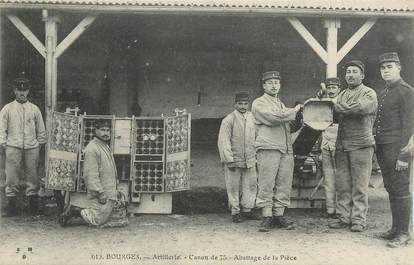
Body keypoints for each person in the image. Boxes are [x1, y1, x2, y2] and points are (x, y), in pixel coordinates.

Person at [329, 60, 378, 232]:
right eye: (348, 71)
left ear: (362, 75)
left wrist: (336, 105)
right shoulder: (341, 94)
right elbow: (333, 113)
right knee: (343, 184)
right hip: (342, 145)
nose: (350, 74)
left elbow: (359, 108)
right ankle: (344, 217)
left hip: (361, 145)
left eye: (354, 71)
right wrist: (330, 104)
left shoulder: (369, 93)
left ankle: (358, 220)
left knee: (360, 185)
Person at [252, 71, 302, 232]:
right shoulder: (259, 103)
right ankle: (266, 216)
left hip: (285, 147)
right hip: (268, 146)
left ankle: (279, 215)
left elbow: (288, 124)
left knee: (284, 183)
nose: (274, 85)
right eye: (270, 82)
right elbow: (274, 118)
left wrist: (299, 117)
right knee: (267, 182)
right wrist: (294, 111)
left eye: (276, 82)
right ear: (264, 85)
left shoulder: (280, 103)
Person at [374, 52, 414, 248]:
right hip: (384, 149)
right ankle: (395, 229)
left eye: (390, 66)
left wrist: (404, 156)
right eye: (383, 68)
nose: (386, 70)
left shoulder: (406, 91)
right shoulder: (384, 92)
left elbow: (410, 126)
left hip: (398, 150)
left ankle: (404, 232)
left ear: (399, 68)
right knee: (390, 188)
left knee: (401, 189)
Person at [59, 120, 128, 228]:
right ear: (95, 131)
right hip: (101, 192)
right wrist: (100, 192)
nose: (106, 133)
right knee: (97, 220)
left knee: (112, 218)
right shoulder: (92, 148)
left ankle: (82, 211)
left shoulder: (104, 146)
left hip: (109, 191)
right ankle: (74, 211)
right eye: (102, 130)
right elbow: (90, 175)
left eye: (108, 131)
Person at [0, 73, 46, 217]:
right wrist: (4, 144)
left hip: (32, 147)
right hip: (13, 146)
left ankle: (32, 206)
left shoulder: (34, 109)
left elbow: (41, 130)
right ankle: (11, 207)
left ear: (28, 91)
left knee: (32, 176)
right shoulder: (7, 108)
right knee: (11, 176)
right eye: (19, 90)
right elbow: (2, 128)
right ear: (14, 90)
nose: (22, 92)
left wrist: (39, 144)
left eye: (24, 90)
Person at [218, 92, 258, 223]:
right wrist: (229, 160)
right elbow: (223, 141)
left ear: (249, 104)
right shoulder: (229, 119)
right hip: (234, 160)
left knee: (251, 186)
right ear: (235, 104)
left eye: (245, 103)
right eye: (240, 103)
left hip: (250, 159)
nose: (243, 106)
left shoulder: (254, 118)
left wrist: (256, 157)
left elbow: (258, 137)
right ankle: (235, 212)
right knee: (233, 187)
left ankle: (247, 210)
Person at [318, 77, 341, 219]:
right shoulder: (323, 102)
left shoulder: (342, 101)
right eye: (329, 88)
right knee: (328, 178)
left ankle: (340, 210)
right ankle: (330, 209)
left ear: (339, 89)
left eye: (334, 88)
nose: (332, 91)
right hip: (326, 142)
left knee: (340, 177)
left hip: (339, 141)